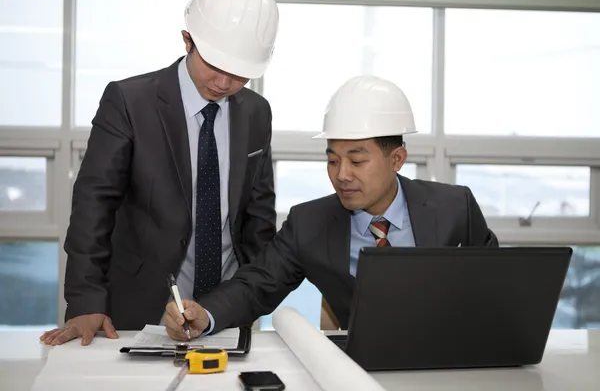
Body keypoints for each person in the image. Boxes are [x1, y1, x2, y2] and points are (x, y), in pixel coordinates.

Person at [163, 75, 499, 340]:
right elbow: (257, 284)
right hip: (360, 370)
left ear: (396, 159)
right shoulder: (309, 223)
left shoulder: (455, 208)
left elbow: (494, 288)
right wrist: (205, 314)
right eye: (333, 160)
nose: (342, 175)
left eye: (357, 160)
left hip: (451, 363)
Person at [40, 0, 280, 346]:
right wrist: (86, 298)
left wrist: (249, 297)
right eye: (215, 65)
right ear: (187, 40)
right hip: (139, 309)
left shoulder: (257, 112)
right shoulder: (129, 101)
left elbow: (259, 218)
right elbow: (95, 204)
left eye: (240, 74)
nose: (224, 83)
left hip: (227, 315)